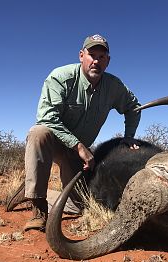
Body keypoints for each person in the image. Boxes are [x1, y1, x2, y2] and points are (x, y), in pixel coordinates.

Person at [22, 34, 141, 231]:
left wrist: (129, 136)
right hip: (56, 141)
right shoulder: (60, 77)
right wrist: (77, 146)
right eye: (91, 54)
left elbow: (134, 107)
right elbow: (47, 118)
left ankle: (33, 191)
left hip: (79, 152)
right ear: (81, 55)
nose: (96, 61)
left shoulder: (114, 86)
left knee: (78, 207)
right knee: (38, 132)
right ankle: (38, 208)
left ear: (108, 61)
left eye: (102, 57)